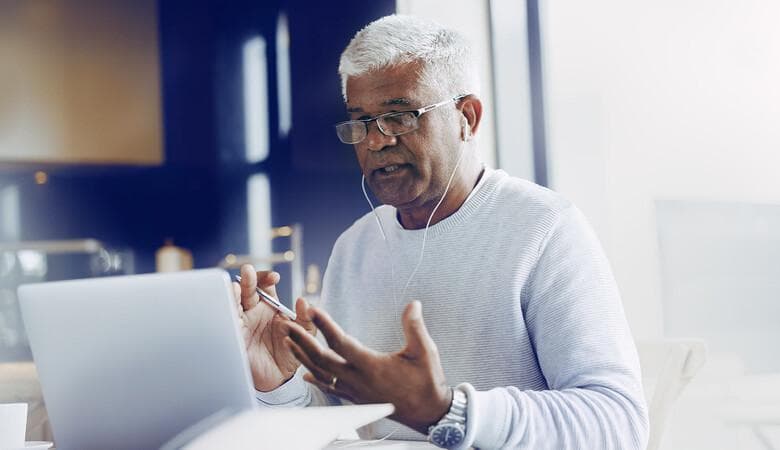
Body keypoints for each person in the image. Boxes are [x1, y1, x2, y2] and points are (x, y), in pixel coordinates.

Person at [232, 14, 649, 450]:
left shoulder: (544, 228)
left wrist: (448, 411)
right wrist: (279, 383)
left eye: (399, 117)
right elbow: (339, 426)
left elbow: (618, 425)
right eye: (362, 122)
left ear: (467, 117)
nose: (375, 141)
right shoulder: (355, 247)